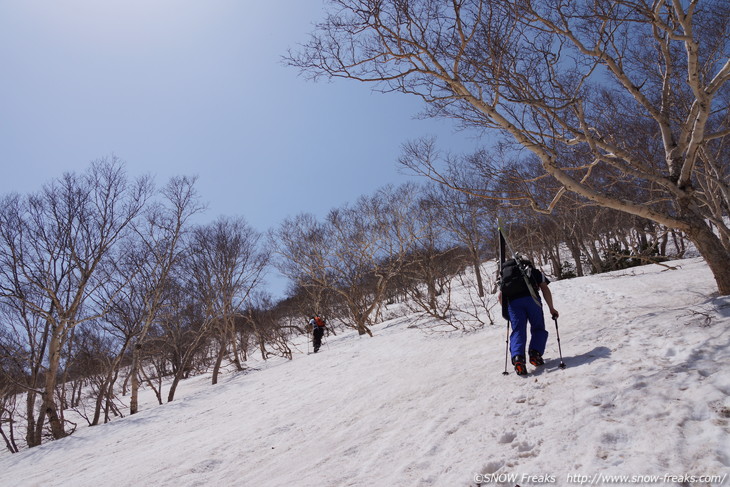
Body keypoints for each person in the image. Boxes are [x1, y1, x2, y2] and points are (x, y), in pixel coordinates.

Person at [498, 258, 559, 376]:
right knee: (538, 327)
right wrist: (551, 308)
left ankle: (518, 358)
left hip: (514, 304)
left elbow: (500, 296)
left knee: (518, 331)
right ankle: (535, 353)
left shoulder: (505, 276)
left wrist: (507, 312)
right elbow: (545, 288)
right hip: (532, 300)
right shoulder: (533, 271)